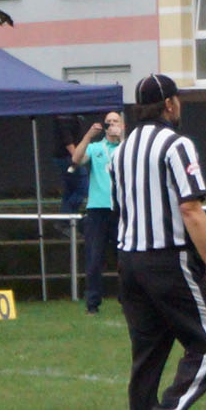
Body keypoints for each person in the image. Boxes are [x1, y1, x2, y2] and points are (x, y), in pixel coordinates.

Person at [114, 74, 206, 410]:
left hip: (129, 259)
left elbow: (121, 208)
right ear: (169, 105)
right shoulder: (176, 144)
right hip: (167, 257)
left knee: (148, 354)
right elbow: (190, 207)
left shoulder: (121, 149)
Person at [71, 111, 123, 313]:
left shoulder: (125, 147)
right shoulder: (95, 147)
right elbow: (76, 159)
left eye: (115, 121)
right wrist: (87, 136)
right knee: (94, 258)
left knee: (125, 258)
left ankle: (127, 300)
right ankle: (92, 303)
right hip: (97, 210)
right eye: (108, 122)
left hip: (120, 209)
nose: (111, 125)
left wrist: (122, 137)